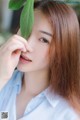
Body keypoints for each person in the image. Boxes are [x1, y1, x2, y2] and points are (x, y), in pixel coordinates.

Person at [0, 0, 80, 120]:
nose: (27, 45)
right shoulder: (4, 81)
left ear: (62, 50)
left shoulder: (67, 114)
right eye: (26, 29)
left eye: (43, 39)